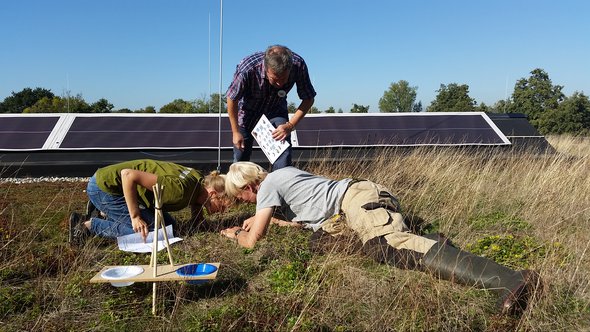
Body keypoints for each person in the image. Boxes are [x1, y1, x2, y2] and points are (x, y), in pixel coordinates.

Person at [220, 162, 542, 316]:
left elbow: (252, 242)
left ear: (248, 187)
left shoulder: (269, 185)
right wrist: (275, 221)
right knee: (320, 243)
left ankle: (512, 279)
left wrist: (236, 234)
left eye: (242, 198)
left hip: (356, 199)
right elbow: (308, 222)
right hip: (344, 213)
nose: (247, 203)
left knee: (385, 246)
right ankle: (433, 243)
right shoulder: (280, 180)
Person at [68, 159, 230, 246]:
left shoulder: (197, 181)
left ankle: (104, 212)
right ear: (213, 194)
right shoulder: (179, 191)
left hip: (114, 186)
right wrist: (135, 216)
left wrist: (198, 220)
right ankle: (87, 225)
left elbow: (197, 200)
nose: (222, 212)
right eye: (222, 206)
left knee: (169, 229)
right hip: (106, 189)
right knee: (153, 234)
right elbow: (127, 175)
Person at [226, 45, 316, 170]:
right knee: (241, 158)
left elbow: (308, 99)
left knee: (283, 151)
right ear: (266, 68)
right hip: (247, 111)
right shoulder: (247, 68)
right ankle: (239, 187)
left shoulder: (298, 65)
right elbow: (232, 99)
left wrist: (290, 126)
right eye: (275, 79)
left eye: (284, 79)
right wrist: (235, 132)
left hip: (276, 110)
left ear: (290, 68)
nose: (280, 84)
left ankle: (279, 184)